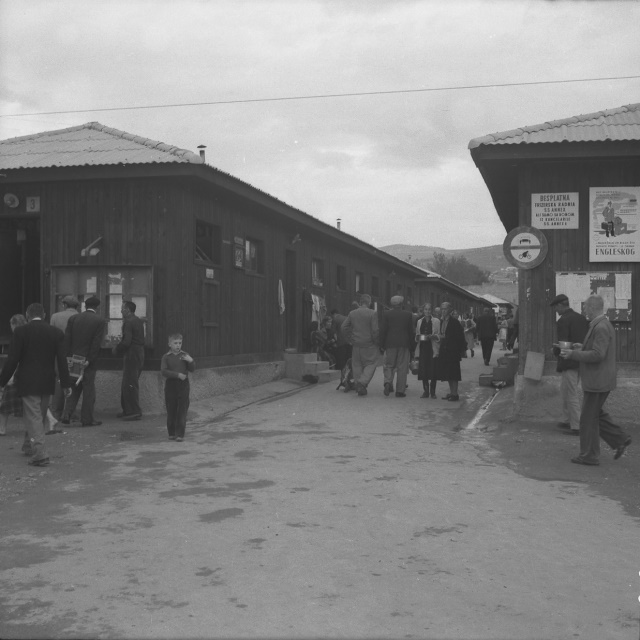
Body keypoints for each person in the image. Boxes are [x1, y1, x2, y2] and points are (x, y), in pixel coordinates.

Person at [560, 295, 631, 465]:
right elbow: (597, 349)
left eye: (585, 307)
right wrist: (582, 347)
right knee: (595, 414)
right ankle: (620, 439)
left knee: (587, 419)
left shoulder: (601, 327)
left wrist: (573, 354)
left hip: (598, 380)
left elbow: (598, 355)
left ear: (592, 308)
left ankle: (590, 455)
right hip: (599, 379)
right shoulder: (601, 324)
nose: (584, 310)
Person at [0, 303, 72, 466]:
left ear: (27, 316)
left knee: (33, 417)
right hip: (47, 381)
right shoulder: (56, 333)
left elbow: (12, 360)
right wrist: (66, 383)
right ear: (44, 315)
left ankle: (40, 453)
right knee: (38, 415)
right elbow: (62, 360)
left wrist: (2, 381)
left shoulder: (20, 332)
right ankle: (28, 445)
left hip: (27, 381)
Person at [62, 295, 107, 427]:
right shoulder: (99, 321)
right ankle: (87, 419)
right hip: (87, 360)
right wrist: (90, 360)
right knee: (88, 389)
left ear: (85, 306)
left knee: (74, 386)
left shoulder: (73, 318)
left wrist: (68, 357)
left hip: (74, 358)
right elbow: (96, 343)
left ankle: (67, 413)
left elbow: (67, 340)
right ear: (97, 307)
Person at [550, 293, 589, 436]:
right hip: (582, 358)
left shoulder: (563, 321)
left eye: (555, 307)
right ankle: (566, 419)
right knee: (565, 389)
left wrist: (555, 350)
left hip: (569, 360)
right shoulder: (581, 318)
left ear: (560, 305)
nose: (555, 310)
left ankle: (577, 426)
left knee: (571, 392)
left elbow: (564, 343)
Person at [341, 294, 379, 396]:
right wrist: (376, 342)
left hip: (356, 344)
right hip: (369, 344)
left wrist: (349, 339)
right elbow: (375, 331)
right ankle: (362, 383)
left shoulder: (352, 313)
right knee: (371, 363)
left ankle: (358, 384)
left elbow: (343, 327)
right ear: (369, 302)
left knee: (357, 364)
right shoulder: (373, 313)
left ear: (360, 302)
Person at [114, 300, 145, 421]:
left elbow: (127, 342)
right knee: (129, 382)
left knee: (130, 383)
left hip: (132, 354)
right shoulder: (138, 320)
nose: (121, 311)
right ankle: (127, 410)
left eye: (122, 308)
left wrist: (117, 348)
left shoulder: (128, 322)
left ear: (127, 310)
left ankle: (134, 411)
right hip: (139, 353)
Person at [161, 333, 195, 442]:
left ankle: (180, 434)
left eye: (180, 343)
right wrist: (177, 375)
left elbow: (192, 369)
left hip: (183, 385)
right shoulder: (166, 357)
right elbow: (164, 371)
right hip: (171, 385)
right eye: (175, 343)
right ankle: (171, 433)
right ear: (169, 344)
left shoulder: (185, 355)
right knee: (171, 408)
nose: (178, 345)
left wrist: (191, 361)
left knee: (182, 409)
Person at [49, 295, 79, 418]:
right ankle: (70, 412)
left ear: (65, 305)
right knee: (74, 380)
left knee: (59, 379)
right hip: (75, 353)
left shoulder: (55, 317)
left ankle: (56, 411)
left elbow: (51, 335)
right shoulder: (80, 317)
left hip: (59, 352)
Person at [379, 295, 414, 398]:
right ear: (401, 304)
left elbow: (383, 330)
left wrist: (381, 345)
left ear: (392, 304)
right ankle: (400, 391)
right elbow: (410, 332)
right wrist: (412, 347)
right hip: (404, 343)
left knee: (389, 365)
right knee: (402, 367)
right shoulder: (408, 315)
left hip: (390, 343)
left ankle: (388, 382)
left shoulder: (386, 314)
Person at [436, 301, 466, 401]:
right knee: (448, 372)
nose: (443, 311)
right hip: (444, 350)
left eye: (445, 309)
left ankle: (455, 393)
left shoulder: (454, 322)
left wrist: (460, 350)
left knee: (454, 373)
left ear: (450, 310)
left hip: (452, 351)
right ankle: (451, 392)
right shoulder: (441, 321)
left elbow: (459, 337)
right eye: (442, 309)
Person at [416, 304, 440, 399]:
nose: (427, 311)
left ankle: (433, 392)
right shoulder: (419, 321)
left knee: (433, 369)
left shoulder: (436, 321)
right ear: (423, 310)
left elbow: (439, 335)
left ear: (432, 311)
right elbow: (417, 334)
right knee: (423, 369)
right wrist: (418, 337)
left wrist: (433, 336)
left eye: (429, 309)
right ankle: (425, 391)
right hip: (423, 347)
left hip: (432, 347)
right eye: (426, 309)